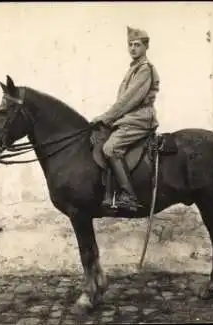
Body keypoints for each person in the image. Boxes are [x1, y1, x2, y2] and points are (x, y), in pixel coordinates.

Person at [91, 26, 160, 212]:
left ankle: (129, 196)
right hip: (129, 117)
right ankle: (108, 196)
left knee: (110, 147)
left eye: (137, 44)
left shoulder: (145, 69)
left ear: (146, 47)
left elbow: (128, 100)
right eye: (130, 45)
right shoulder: (133, 69)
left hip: (140, 118)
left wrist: (106, 117)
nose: (133, 48)